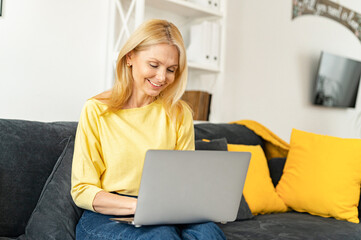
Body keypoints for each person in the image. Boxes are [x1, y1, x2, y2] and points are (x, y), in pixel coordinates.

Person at [71, 19, 226, 240]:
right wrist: (141, 206)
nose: (162, 77)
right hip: (108, 214)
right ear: (130, 57)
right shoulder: (96, 110)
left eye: (171, 69)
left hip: (165, 209)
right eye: (154, 65)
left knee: (209, 234)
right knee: (161, 236)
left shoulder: (179, 113)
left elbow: (184, 181)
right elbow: (82, 189)